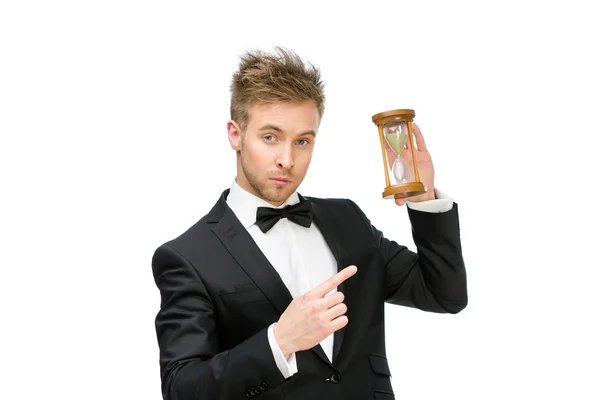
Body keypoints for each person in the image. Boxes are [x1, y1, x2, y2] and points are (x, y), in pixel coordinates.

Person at [151, 47, 467, 400]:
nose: (287, 160)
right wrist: (279, 341)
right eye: (270, 138)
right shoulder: (188, 256)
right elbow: (182, 389)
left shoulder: (347, 219)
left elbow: (445, 295)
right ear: (235, 135)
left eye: (302, 141)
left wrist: (423, 198)